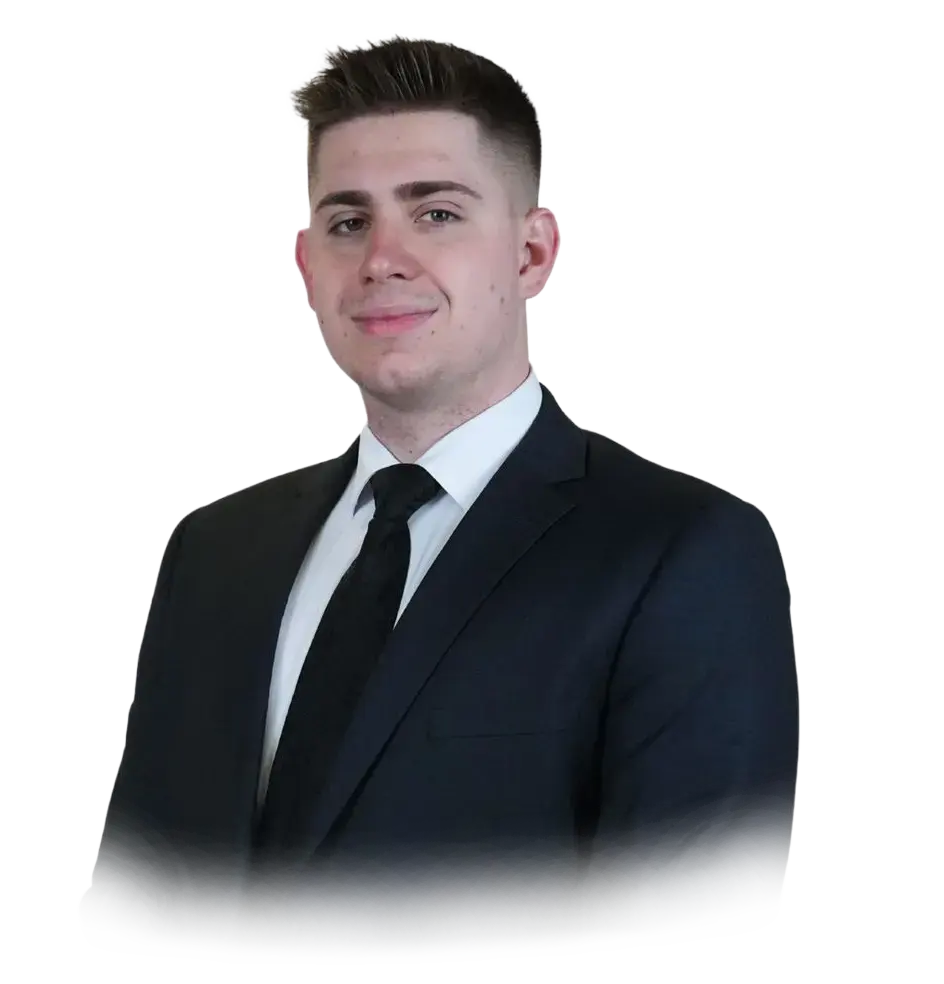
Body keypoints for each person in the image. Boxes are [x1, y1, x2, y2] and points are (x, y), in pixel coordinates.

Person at [78, 34, 799, 959]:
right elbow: (136, 901)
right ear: (306, 263)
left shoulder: (682, 553)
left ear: (532, 252)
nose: (383, 257)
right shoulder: (216, 552)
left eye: (438, 214)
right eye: (348, 223)